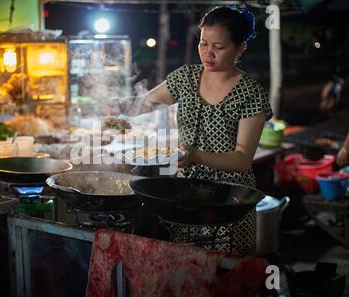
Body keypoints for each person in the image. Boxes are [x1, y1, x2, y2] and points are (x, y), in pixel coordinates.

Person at [115, 6, 273, 256]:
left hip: (228, 200)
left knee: (225, 274)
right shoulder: (186, 78)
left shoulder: (250, 94)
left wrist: (197, 155)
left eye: (218, 47)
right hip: (185, 196)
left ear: (240, 47)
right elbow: (145, 103)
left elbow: (242, 159)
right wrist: (115, 106)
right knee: (187, 269)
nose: (208, 53)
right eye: (203, 44)